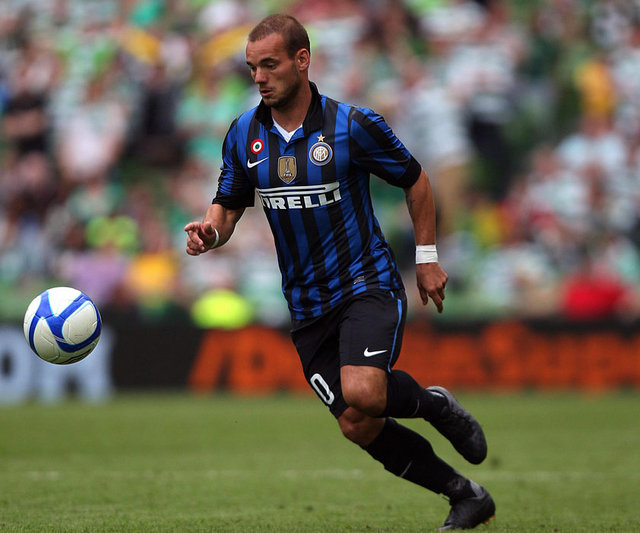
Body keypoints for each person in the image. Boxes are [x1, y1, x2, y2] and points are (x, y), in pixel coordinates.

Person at [185, 14, 495, 530]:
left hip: (365, 283)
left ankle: (436, 406)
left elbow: (416, 180)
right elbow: (228, 207)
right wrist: (209, 234)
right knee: (357, 423)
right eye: (252, 67)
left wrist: (426, 258)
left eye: (269, 65)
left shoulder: (352, 125)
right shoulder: (242, 134)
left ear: (302, 60)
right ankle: (466, 495)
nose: (259, 77)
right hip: (306, 305)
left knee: (364, 392)